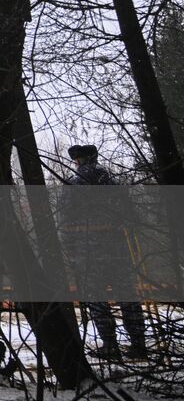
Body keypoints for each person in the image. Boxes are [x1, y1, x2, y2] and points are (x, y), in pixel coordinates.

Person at [62, 144, 148, 361]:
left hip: (88, 250)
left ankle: (110, 345)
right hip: (118, 248)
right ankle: (139, 344)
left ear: (78, 161)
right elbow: (132, 217)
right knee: (128, 295)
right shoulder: (114, 184)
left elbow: (66, 220)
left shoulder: (73, 186)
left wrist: (70, 249)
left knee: (96, 297)